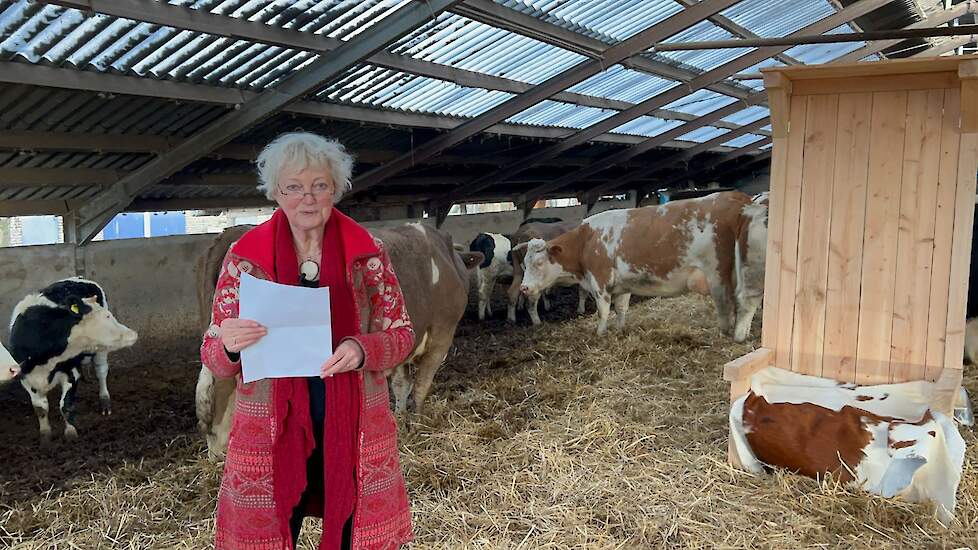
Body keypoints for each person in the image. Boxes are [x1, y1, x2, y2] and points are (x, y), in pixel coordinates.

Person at [200, 132, 416, 550]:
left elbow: (402, 334)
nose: (308, 198)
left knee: (354, 528)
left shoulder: (367, 253)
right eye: (294, 187)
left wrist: (361, 348)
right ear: (276, 193)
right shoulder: (246, 259)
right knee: (277, 524)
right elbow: (213, 355)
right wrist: (228, 344)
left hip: (355, 426)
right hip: (271, 429)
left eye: (319, 186)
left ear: (335, 188)